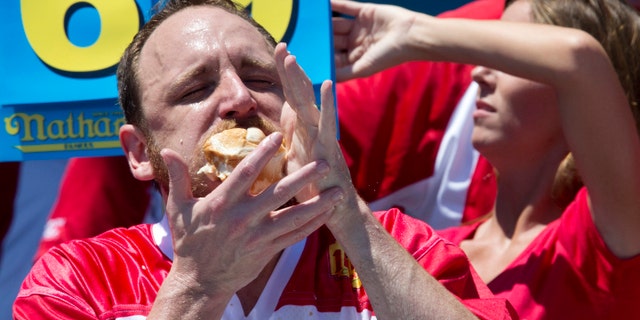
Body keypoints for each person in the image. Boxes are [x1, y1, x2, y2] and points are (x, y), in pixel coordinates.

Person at [13, 0, 517, 319]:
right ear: (140, 153)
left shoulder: (403, 244)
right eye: (196, 88)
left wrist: (348, 216)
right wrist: (198, 286)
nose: (238, 99)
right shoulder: (75, 279)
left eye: (260, 78)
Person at [331, 0, 640, 319]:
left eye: (507, 53)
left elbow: (581, 59)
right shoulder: (430, 246)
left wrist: (413, 33)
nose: (478, 73)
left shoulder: (606, 241)